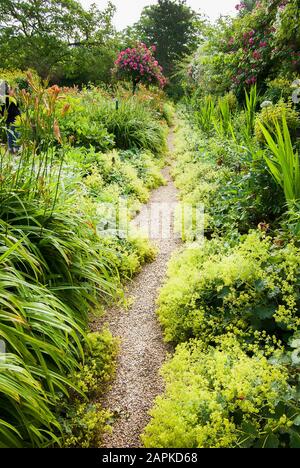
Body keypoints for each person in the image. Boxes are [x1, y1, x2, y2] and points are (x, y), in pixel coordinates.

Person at [0, 81, 20, 154]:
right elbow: (17, 105)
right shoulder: (9, 97)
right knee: (15, 134)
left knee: (10, 134)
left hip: (8, 119)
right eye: (8, 87)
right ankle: (16, 149)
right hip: (15, 117)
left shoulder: (2, 98)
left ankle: (11, 149)